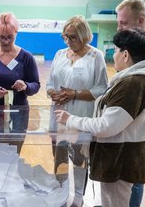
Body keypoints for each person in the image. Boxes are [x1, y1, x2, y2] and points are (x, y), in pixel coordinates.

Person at [55, 28, 145, 207]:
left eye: (115, 50)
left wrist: (70, 119)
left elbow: (107, 125)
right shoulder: (139, 77)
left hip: (123, 156)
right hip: (123, 152)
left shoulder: (134, 83)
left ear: (126, 54)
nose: (113, 55)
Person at [91, 0, 145, 207]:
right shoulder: (137, 48)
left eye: (123, 23)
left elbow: (144, 97)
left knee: (128, 186)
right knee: (117, 196)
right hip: (121, 130)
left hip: (131, 136)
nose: (119, 28)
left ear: (140, 20)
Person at [46, 15, 107, 177]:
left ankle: (77, 200)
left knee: (80, 164)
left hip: (81, 118)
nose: (68, 41)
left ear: (83, 36)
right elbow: (50, 83)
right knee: (60, 162)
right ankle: (60, 195)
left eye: (72, 37)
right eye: (65, 36)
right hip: (58, 118)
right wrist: (54, 94)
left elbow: (101, 89)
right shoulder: (59, 54)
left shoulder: (95, 56)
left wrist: (74, 94)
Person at [0, 12, 40, 153]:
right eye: (2, 37)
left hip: (18, 113)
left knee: (13, 156)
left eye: (10, 37)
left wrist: (26, 86)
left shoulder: (26, 57)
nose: (5, 41)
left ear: (16, 32)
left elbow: (36, 85)